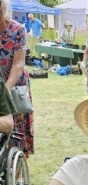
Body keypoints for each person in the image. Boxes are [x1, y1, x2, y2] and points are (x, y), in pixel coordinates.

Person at [0, 0, 34, 158]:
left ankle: (17, 168)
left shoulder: (18, 30)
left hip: (15, 83)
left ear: (3, 8)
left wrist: (6, 89)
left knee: (16, 131)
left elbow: (18, 64)